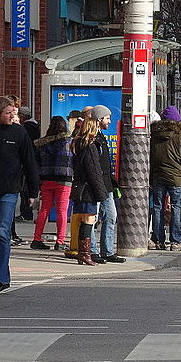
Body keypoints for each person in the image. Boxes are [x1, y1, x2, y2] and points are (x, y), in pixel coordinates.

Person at [0, 97, 39, 295]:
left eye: (14, 112)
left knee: (1, 231)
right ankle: (1, 278)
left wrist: (33, 191)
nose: (13, 116)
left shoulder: (19, 132)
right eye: (8, 113)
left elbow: (29, 162)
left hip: (9, 191)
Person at [150, 105, 181, 251]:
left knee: (157, 208)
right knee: (176, 208)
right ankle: (175, 241)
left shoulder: (154, 135)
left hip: (158, 176)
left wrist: (151, 178)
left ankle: (158, 240)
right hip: (176, 178)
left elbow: (151, 158)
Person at [30, 117, 74, 251]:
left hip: (46, 180)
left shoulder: (42, 144)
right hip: (64, 180)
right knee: (62, 211)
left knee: (44, 210)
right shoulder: (69, 142)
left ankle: (36, 239)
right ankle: (60, 241)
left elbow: (37, 164)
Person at [69, 118, 107, 266]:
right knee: (89, 220)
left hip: (79, 187)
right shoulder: (90, 147)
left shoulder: (77, 144)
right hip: (88, 190)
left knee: (83, 220)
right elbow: (94, 172)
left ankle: (82, 253)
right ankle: (85, 254)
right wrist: (101, 193)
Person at [89, 105, 124, 263]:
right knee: (93, 218)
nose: (110, 121)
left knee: (111, 216)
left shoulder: (101, 137)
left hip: (107, 185)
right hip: (97, 185)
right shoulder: (93, 139)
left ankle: (107, 251)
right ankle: (92, 251)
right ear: (99, 119)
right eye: (107, 118)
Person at [64, 106, 94, 260]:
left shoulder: (76, 139)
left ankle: (80, 249)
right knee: (86, 217)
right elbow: (91, 168)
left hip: (76, 182)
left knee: (79, 216)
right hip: (82, 184)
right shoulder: (86, 142)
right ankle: (83, 251)